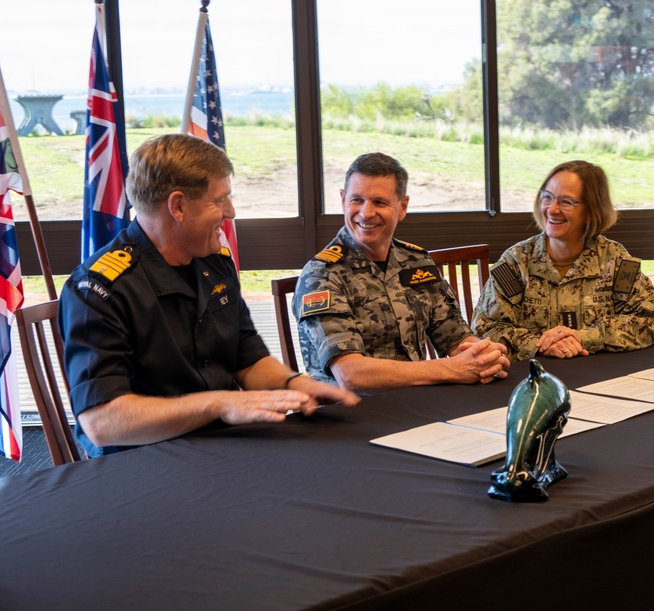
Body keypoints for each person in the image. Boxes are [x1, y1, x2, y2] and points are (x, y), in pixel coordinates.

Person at [59, 134, 359, 457]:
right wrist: (221, 403)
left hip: (222, 445)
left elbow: (248, 359)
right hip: (141, 461)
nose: (230, 212)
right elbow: (102, 423)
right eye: (219, 200)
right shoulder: (98, 289)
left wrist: (294, 385)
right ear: (178, 206)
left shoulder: (214, 262)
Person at [293, 152, 510, 392]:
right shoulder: (322, 275)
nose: (366, 213)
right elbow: (350, 374)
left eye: (379, 202)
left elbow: (454, 336)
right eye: (357, 200)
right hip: (352, 413)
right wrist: (452, 369)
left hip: (417, 401)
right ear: (343, 200)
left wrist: (481, 355)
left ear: (402, 207)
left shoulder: (416, 262)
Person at [471, 160, 654, 361]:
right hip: (534, 381)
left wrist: (582, 338)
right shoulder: (517, 262)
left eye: (565, 202)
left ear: (591, 210)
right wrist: (542, 345)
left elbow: (646, 322)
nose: (552, 210)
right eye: (547, 197)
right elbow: (486, 329)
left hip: (600, 377)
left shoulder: (615, 259)